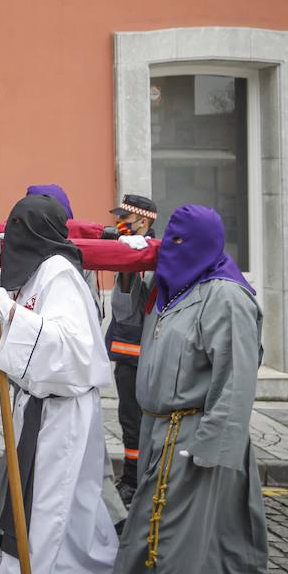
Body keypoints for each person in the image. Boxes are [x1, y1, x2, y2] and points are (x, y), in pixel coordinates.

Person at [109, 205, 280, 574]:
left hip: (192, 439)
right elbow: (126, 317)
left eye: (181, 243)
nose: (172, 250)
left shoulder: (226, 296)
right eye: (169, 240)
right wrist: (127, 267)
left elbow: (237, 379)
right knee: (186, 535)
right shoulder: (169, 286)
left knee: (168, 537)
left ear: (204, 244)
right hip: (157, 433)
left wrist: (210, 448)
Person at [0, 194, 117, 574]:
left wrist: (12, 313)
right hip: (36, 406)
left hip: (62, 411)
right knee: (50, 508)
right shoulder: (34, 271)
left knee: (46, 512)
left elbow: (73, 347)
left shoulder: (60, 273)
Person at [101, 193, 158, 505]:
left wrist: (135, 265)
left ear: (144, 222)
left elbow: (128, 306)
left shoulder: (152, 256)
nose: (119, 224)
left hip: (145, 355)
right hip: (126, 355)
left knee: (142, 422)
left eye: (126, 220)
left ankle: (141, 479)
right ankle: (133, 478)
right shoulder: (129, 252)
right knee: (129, 421)